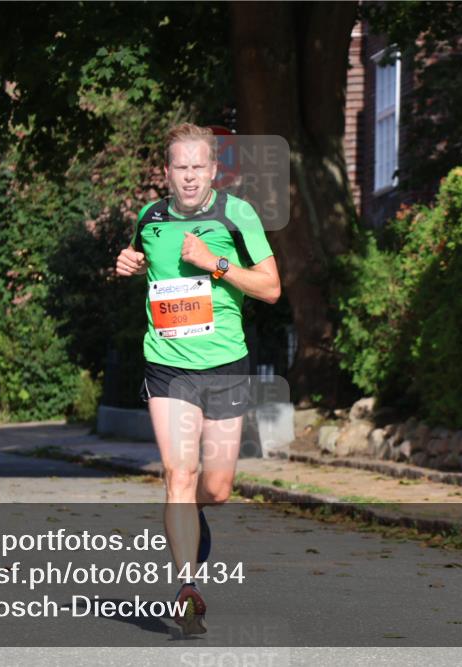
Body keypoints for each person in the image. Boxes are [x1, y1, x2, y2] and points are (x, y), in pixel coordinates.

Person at [115, 123, 281, 635]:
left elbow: (271, 288)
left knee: (218, 486)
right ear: (167, 173)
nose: (188, 178)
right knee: (179, 474)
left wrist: (217, 263)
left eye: (197, 168)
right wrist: (129, 264)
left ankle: (187, 514)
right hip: (167, 363)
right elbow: (148, 267)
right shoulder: (150, 217)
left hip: (226, 363)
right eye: (179, 168)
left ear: (213, 170)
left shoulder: (237, 214)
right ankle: (187, 588)